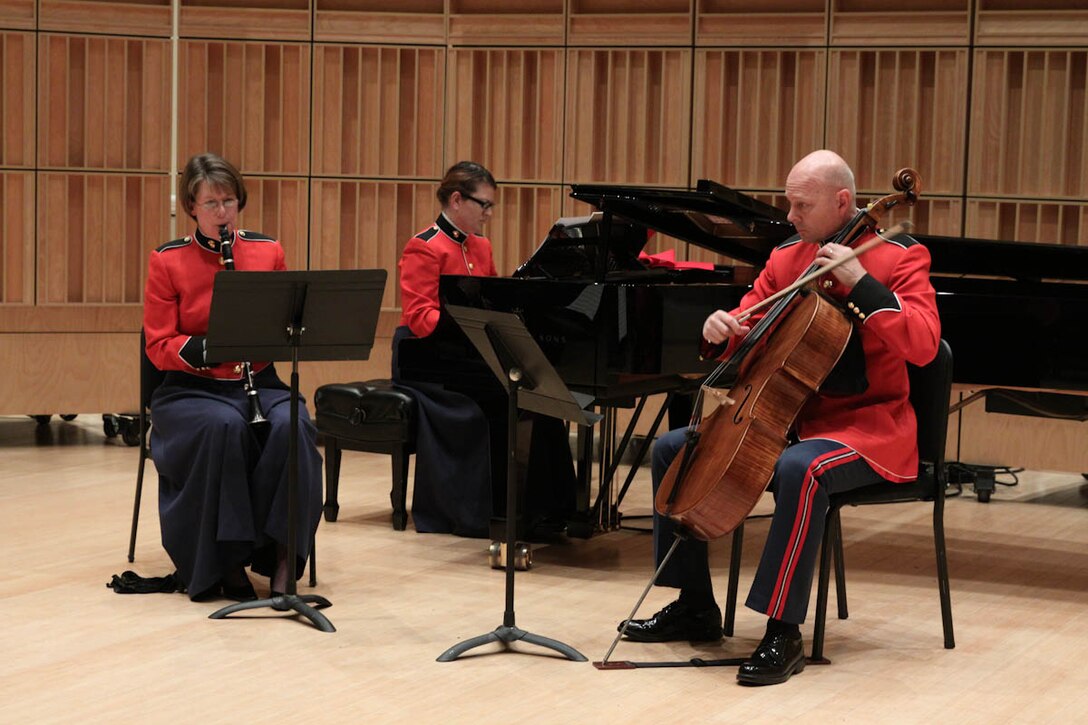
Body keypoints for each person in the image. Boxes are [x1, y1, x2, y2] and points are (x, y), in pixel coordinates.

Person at [618, 150, 941, 686]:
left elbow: (926, 347)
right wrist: (723, 329)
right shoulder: (788, 256)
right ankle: (695, 603)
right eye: (789, 202)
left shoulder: (900, 256)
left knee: (802, 469)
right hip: (785, 418)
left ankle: (782, 631)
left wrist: (862, 283)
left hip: (869, 427)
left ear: (842, 202)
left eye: (801, 205)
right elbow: (752, 326)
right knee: (672, 448)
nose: (789, 216)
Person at [143, 152, 323, 602]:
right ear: (191, 208)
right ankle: (225, 563)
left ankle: (283, 557)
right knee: (222, 428)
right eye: (211, 204)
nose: (222, 212)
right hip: (191, 389)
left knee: (294, 427)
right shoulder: (168, 261)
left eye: (229, 201)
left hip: (258, 383)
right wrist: (206, 350)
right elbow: (158, 343)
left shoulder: (266, 252)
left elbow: (287, 323)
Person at [392, 160, 576, 537]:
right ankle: (494, 511)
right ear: (457, 200)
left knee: (541, 394)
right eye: (484, 205)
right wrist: (467, 328)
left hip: (467, 354)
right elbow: (418, 316)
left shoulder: (480, 246)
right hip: (426, 358)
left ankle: (548, 510)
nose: (490, 214)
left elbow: (491, 303)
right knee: (511, 396)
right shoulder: (424, 247)